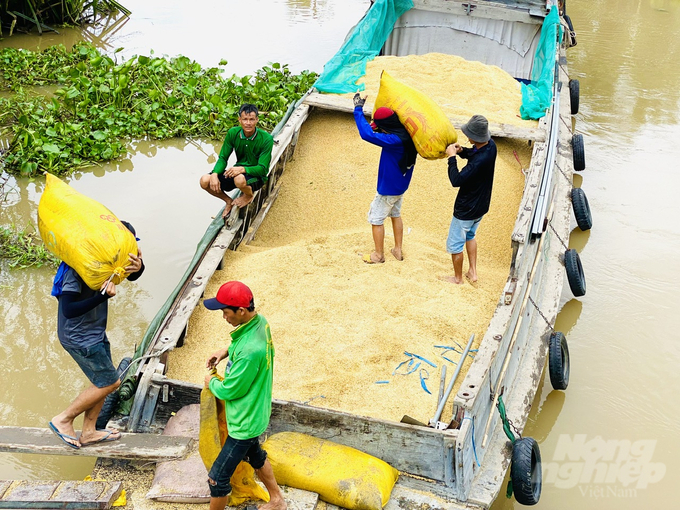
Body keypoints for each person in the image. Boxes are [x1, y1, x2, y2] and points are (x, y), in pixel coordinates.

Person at [49, 220, 144, 449]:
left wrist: (139, 266)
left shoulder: (106, 263)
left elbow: (131, 277)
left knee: (102, 381)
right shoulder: (75, 267)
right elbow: (69, 310)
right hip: (79, 337)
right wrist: (102, 297)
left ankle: (89, 431)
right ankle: (63, 420)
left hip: (95, 332)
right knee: (111, 382)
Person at [203, 281, 286, 510]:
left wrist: (212, 383)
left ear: (240, 311)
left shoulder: (250, 351)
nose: (223, 317)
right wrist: (226, 350)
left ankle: (277, 500)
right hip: (256, 412)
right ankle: (277, 500)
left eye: (225, 311)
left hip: (244, 422)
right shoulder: (260, 323)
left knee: (217, 478)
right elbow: (242, 341)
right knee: (257, 457)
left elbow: (231, 390)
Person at [353, 93, 417, 264]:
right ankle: (397, 249)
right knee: (395, 214)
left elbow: (367, 134)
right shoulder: (407, 133)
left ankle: (378, 255)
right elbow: (376, 129)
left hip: (388, 188)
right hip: (401, 185)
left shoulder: (394, 140)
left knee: (376, 218)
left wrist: (358, 109)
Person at [442, 115, 497, 285]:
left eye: (468, 134)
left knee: (455, 244)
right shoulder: (491, 146)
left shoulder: (479, 162)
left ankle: (457, 278)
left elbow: (456, 180)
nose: (467, 136)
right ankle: (472, 272)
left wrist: (451, 158)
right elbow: (474, 152)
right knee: (470, 235)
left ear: (475, 136)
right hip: (481, 205)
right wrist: (462, 151)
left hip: (466, 208)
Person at [200, 104, 275, 219]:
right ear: (239, 119)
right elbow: (223, 158)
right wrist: (215, 174)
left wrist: (243, 169)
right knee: (205, 180)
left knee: (239, 179)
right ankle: (228, 201)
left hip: (256, 176)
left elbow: (263, 169)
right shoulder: (233, 133)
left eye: (251, 119)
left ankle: (248, 195)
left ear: (257, 120)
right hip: (238, 173)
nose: (248, 123)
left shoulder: (266, 138)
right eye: (245, 119)